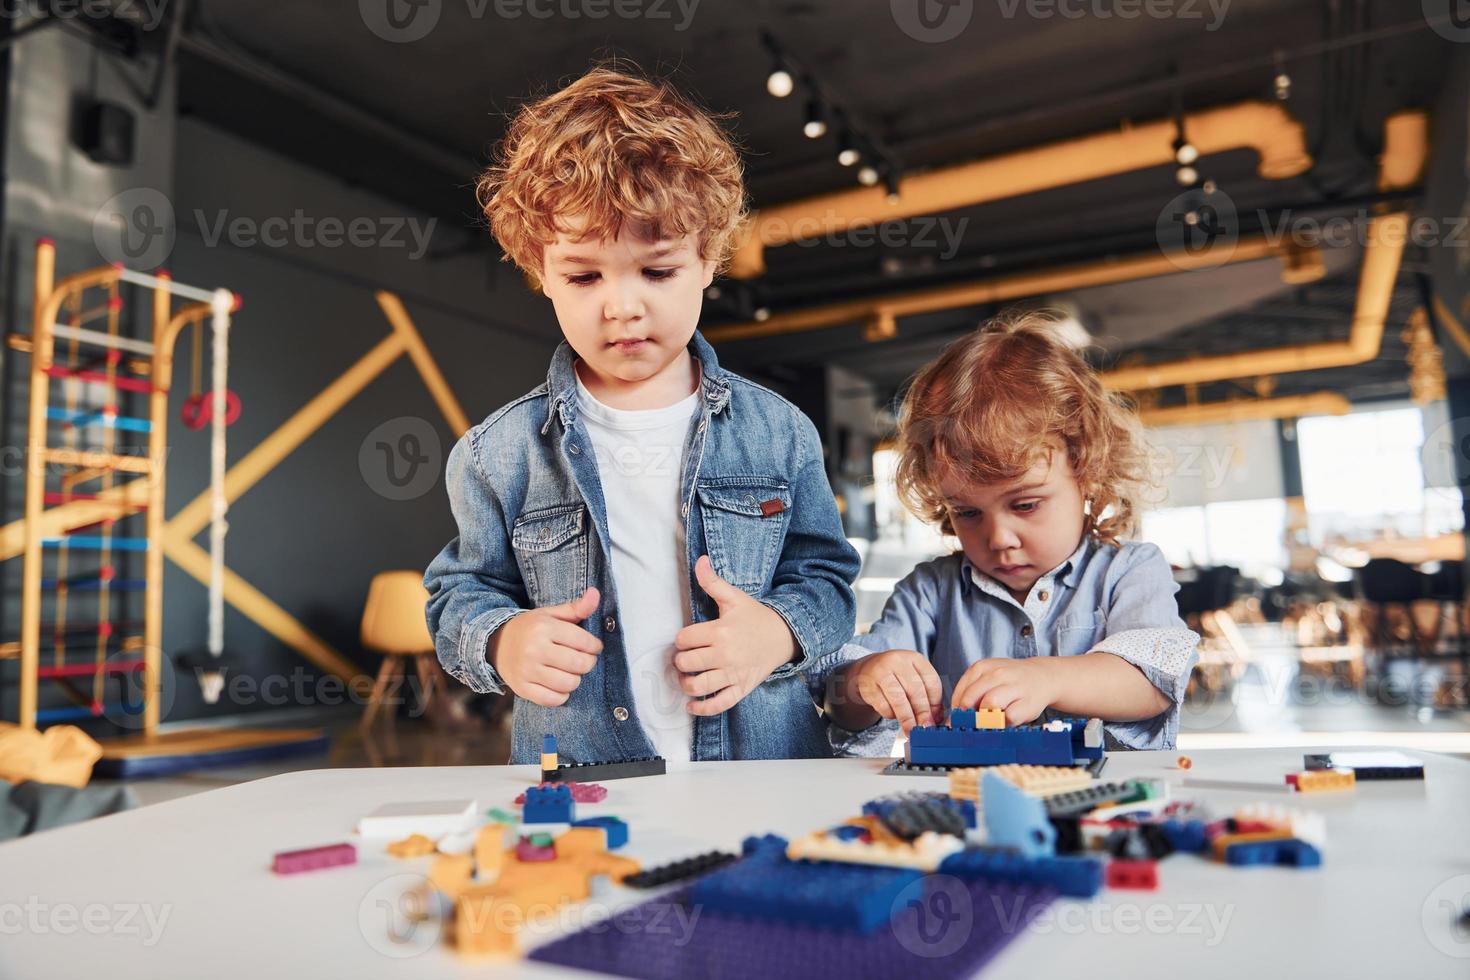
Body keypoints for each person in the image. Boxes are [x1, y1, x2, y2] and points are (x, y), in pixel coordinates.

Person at [424, 67, 860, 765]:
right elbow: (460, 593)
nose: (622, 306)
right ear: (539, 268)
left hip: (763, 773)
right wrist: (503, 642)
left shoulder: (780, 433)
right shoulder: (495, 453)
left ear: (709, 257)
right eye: (584, 275)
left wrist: (776, 634)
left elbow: (828, 582)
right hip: (582, 778)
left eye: (656, 272)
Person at [826, 312, 1199, 752]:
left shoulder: (1130, 571)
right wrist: (868, 680)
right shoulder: (929, 593)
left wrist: (1049, 678)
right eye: (967, 512)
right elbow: (841, 705)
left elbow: (1151, 684)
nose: (999, 538)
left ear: (1086, 468)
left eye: (1025, 504)